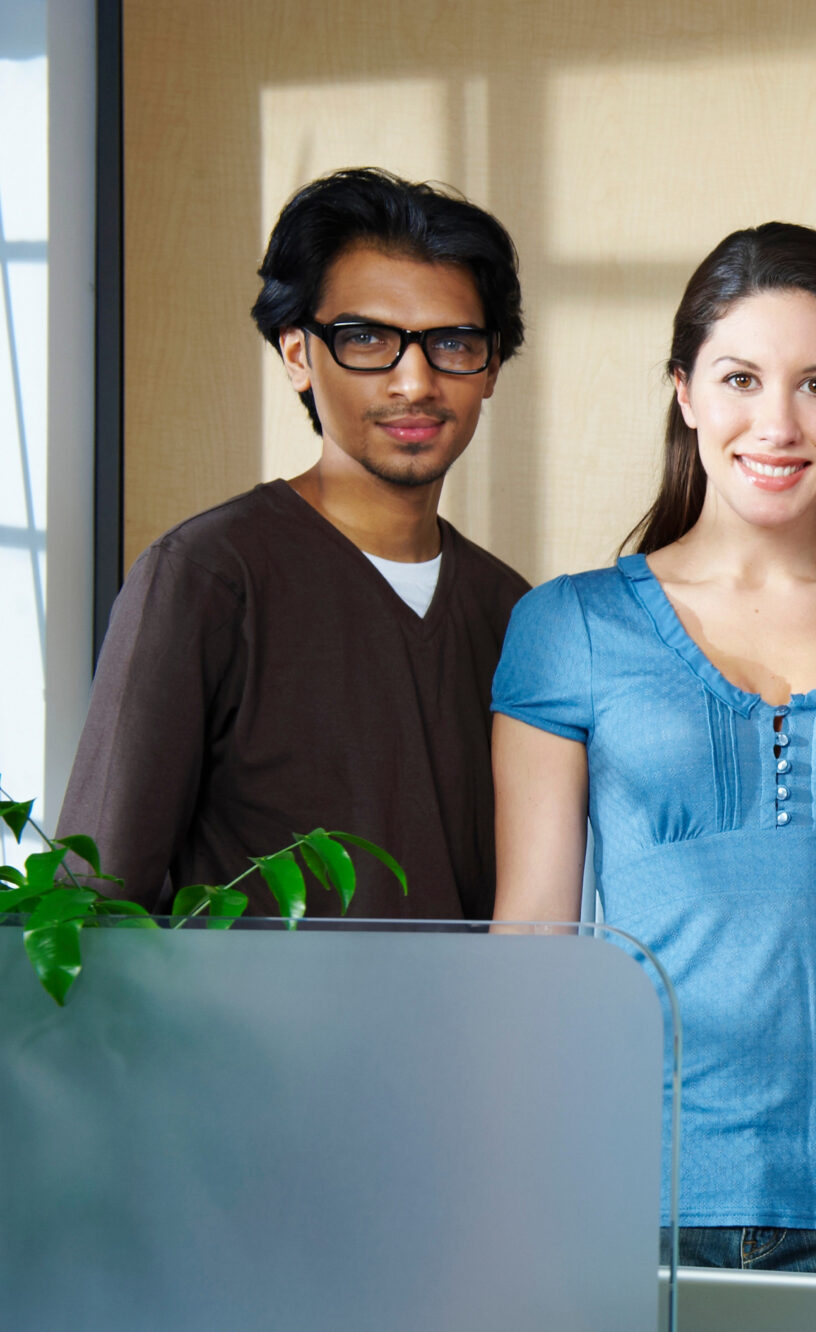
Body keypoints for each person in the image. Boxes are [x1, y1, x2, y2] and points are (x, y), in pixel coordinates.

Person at [491, 224, 816, 1275]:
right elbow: (533, 937)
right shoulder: (568, 628)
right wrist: (516, 1184)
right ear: (683, 391)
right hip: (633, 1202)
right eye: (739, 379)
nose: (777, 423)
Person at [61, 168, 527, 917]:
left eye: (452, 342)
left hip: (462, 1035)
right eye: (366, 338)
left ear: (491, 365)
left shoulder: (515, 613)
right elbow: (94, 900)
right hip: (238, 1036)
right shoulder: (206, 577)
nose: (414, 381)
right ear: (297, 355)